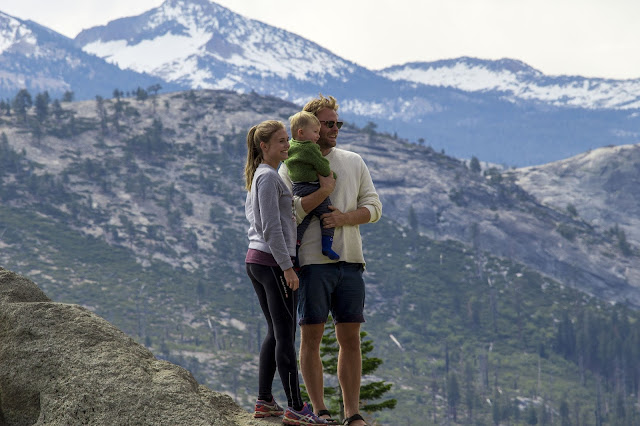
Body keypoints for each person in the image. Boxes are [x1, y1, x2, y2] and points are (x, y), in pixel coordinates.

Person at [279, 96, 382, 426]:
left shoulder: (353, 161)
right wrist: (322, 194)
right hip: (310, 262)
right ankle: (320, 411)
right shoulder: (289, 165)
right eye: (329, 123)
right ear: (309, 127)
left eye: (339, 123)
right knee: (310, 337)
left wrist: (344, 218)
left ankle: (352, 414)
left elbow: (375, 208)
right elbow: (287, 212)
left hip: (350, 261)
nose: (335, 129)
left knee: (349, 338)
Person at [244, 120, 328, 425]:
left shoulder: (262, 176)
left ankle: (265, 400)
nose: (287, 145)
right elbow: (270, 228)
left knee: (274, 333)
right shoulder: (267, 178)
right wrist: (287, 268)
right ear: (264, 146)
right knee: (285, 336)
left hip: (259, 261)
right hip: (271, 263)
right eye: (281, 141)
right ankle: (295, 407)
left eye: (286, 140)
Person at [284, 111, 340, 262]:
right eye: (315, 132)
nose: (318, 135)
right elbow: (321, 164)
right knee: (328, 215)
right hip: (312, 186)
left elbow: (285, 161)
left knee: (303, 220)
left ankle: (294, 248)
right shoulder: (310, 148)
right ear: (301, 132)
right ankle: (327, 246)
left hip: (298, 188)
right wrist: (331, 176)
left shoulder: (290, 147)